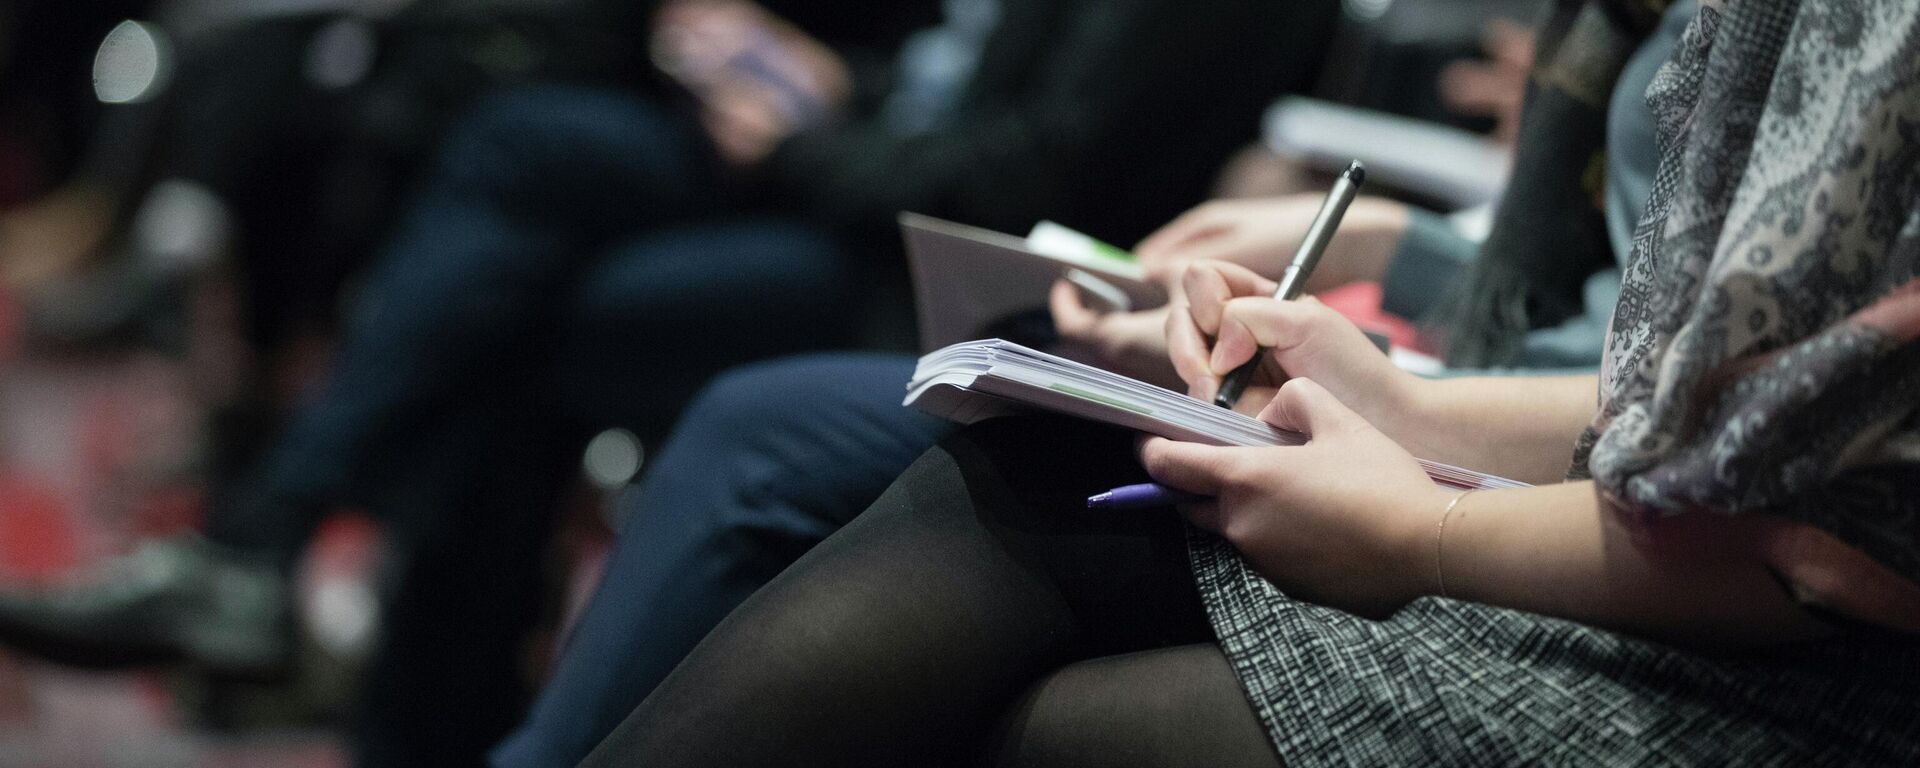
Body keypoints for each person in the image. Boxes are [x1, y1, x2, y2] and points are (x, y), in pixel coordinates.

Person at [578, 0, 1920, 764]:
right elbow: (1679, 389)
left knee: (1025, 720)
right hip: (1604, 487)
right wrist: (1386, 389)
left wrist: (1423, 523)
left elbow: (1801, 520)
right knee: (1016, 465)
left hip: (1784, 664)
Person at [0, 0, 1338, 764]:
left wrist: (806, 135)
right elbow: (941, 75)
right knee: (503, 145)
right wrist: (820, 85)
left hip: (968, 279)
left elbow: (1015, 181)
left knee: (536, 313)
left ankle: (301, 596)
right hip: (861, 181)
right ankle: (319, 616)